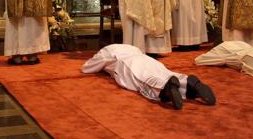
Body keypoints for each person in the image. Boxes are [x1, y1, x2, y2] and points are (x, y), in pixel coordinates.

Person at [82, 44, 216, 110]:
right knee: (165, 73)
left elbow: (87, 68)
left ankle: (165, 89)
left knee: (142, 81)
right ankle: (188, 82)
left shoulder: (106, 51)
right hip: (146, 59)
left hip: (126, 63)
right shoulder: (131, 47)